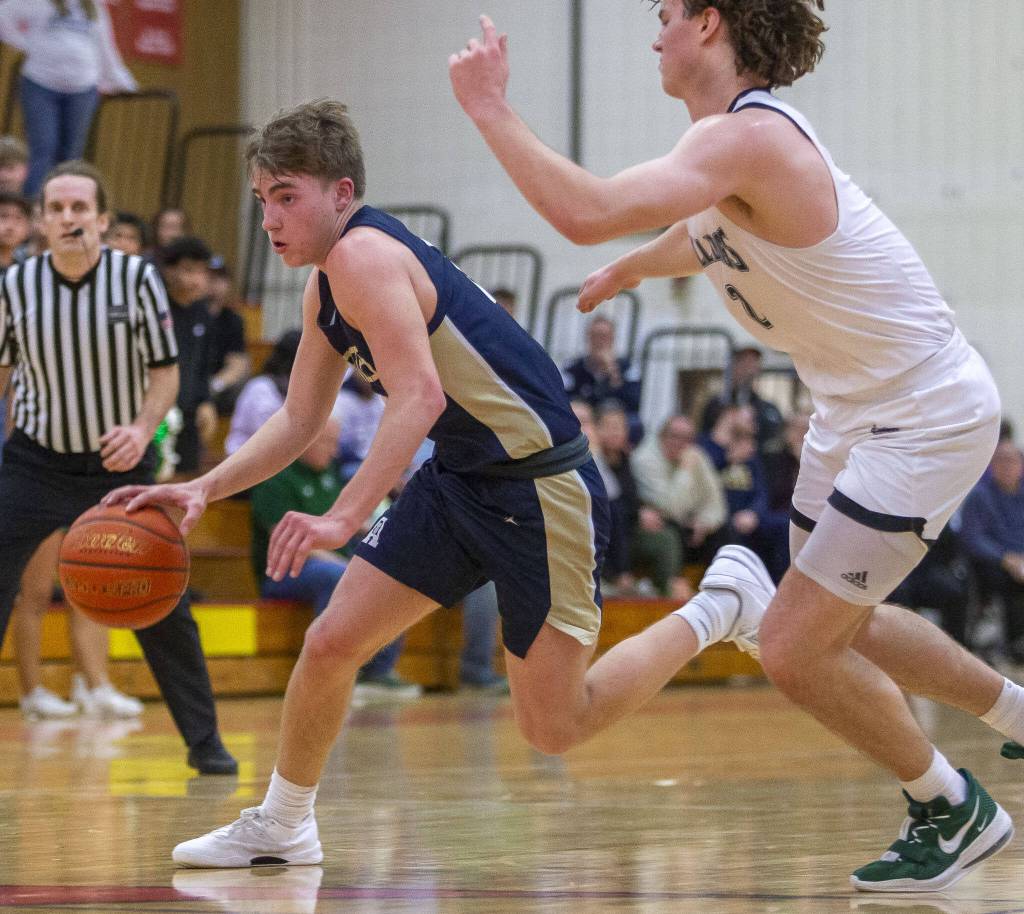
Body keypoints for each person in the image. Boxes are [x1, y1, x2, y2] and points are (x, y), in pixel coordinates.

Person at [104, 99, 768, 868]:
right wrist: (201, 489)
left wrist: (344, 517)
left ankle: (719, 607)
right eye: (262, 201)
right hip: (461, 477)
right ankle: (284, 821)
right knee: (330, 644)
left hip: (541, 488)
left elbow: (416, 398)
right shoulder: (327, 287)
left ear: (342, 193)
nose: (269, 219)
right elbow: (295, 420)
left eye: (286, 197)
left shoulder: (364, 258)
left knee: (554, 727)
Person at [450, 5, 1022, 892]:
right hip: (850, 412)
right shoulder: (732, 157)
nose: (655, 34)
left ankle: (951, 807)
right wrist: (637, 267)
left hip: (924, 412)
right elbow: (709, 231)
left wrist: (489, 107)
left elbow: (584, 210)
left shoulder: (747, 139)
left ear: (710, 24)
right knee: (841, 625)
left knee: (795, 647)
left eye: (667, 15)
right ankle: (1019, 713)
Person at [0, 160, 236, 774]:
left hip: (115, 470)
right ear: (41, 223)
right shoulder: (14, 286)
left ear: (103, 220)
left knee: (164, 603)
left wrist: (141, 428)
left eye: (81, 208)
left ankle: (206, 745)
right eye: (57, 208)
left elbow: (165, 372)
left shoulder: (135, 279)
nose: (69, 218)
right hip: (33, 461)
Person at [252, 416, 420, 700]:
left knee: (392, 571)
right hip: (286, 571)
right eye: (328, 442)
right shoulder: (276, 477)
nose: (333, 451)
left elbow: (349, 525)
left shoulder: (330, 474)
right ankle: (330, 675)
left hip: (336, 562)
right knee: (336, 577)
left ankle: (379, 673)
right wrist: (346, 566)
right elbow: (288, 543)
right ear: (306, 440)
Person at [0, 0, 137, 198]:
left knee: (71, 156)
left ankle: (61, 205)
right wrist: (27, 44)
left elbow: (105, 45)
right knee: (43, 150)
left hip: (82, 88)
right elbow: (3, 14)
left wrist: (122, 80)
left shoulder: (94, 7)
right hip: (40, 83)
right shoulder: (38, 2)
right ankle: (34, 208)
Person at [631, 414, 727, 570]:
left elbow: (716, 500)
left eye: (686, 438)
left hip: (689, 522)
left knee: (724, 533)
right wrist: (685, 471)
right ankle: (672, 588)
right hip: (661, 522)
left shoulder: (696, 455)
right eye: (674, 436)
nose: (679, 443)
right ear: (662, 435)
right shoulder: (645, 458)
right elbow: (671, 508)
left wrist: (705, 522)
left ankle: (719, 588)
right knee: (672, 534)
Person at [960, 439, 1024, 663]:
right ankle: (1011, 645)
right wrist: (1006, 559)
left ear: (1021, 465)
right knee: (1005, 581)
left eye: (1011, 460)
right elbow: (973, 538)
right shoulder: (980, 495)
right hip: (994, 564)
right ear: (991, 466)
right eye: (1000, 461)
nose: (1006, 466)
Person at [159, 236, 218, 474]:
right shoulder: (155, 307)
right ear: (168, 271)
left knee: (184, 481)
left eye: (202, 272)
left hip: (189, 414)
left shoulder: (202, 313)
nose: (196, 279)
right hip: (157, 415)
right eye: (188, 270)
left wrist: (206, 401)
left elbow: (203, 365)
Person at [562, 315, 643, 441]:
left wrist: (613, 373)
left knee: (634, 423)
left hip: (614, 418)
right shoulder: (573, 367)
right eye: (595, 336)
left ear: (612, 339)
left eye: (604, 337)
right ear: (588, 338)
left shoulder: (627, 367)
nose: (600, 342)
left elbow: (634, 402)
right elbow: (564, 397)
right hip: (584, 416)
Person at [700, 344, 784, 454]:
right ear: (734, 365)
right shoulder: (716, 404)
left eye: (753, 362)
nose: (749, 368)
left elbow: (772, 441)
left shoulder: (766, 408)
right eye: (745, 362)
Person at [206, 257, 251, 417]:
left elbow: (237, 363)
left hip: (216, 388)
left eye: (220, 279)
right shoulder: (187, 316)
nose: (215, 284)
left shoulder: (233, 320)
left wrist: (215, 385)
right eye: (210, 278)